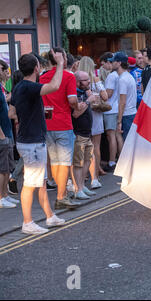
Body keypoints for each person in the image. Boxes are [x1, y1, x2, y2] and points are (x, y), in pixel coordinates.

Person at [11, 52, 66, 234]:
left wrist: (31, 115)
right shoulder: (29, 87)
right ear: (36, 68)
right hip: (32, 143)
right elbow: (55, 85)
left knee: (40, 183)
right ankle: (27, 223)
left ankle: (50, 217)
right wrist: (59, 64)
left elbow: (12, 112)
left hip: (30, 140)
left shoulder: (20, 87)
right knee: (29, 184)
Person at [39, 47, 81, 210]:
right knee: (63, 162)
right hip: (63, 122)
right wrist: (77, 106)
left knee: (55, 162)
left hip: (47, 123)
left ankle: (60, 193)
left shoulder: (42, 77)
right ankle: (61, 197)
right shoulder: (68, 76)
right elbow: (72, 99)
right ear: (62, 58)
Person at [78, 56, 107, 189]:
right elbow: (105, 96)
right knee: (96, 146)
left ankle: (83, 175)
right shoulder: (95, 80)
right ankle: (95, 174)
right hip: (96, 115)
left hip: (83, 113)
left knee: (83, 146)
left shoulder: (77, 80)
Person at [72, 71, 96, 200]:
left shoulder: (85, 93)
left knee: (87, 160)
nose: (88, 82)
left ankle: (82, 185)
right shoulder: (75, 95)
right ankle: (78, 188)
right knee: (78, 163)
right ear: (78, 82)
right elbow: (75, 114)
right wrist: (88, 101)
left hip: (87, 132)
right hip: (78, 133)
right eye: (86, 80)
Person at [0, 60, 17, 208]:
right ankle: (1, 197)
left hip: (7, 130)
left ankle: (5, 194)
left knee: (6, 168)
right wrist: (2, 135)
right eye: (1, 69)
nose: (4, 72)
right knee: (2, 168)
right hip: (2, 133)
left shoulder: (2, 87)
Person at [103, 53, 122, 172]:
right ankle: (119, 160)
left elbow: (108, 94)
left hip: (110, 109)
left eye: (105, 63)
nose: (104, 66)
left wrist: (100, 92)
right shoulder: (118, 75)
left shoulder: (111, 76)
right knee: (116, 135)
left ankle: (112, 161)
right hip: (115, 108)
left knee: (112, 137)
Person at [114, 52, 137, 140]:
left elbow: (122, 102)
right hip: (131, 113)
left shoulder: (123, 79)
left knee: (127, 143)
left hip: (127, 115)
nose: (112, 64)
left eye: (113, 62)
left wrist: (119, 121)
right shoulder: (128, 76)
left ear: (119, 63)